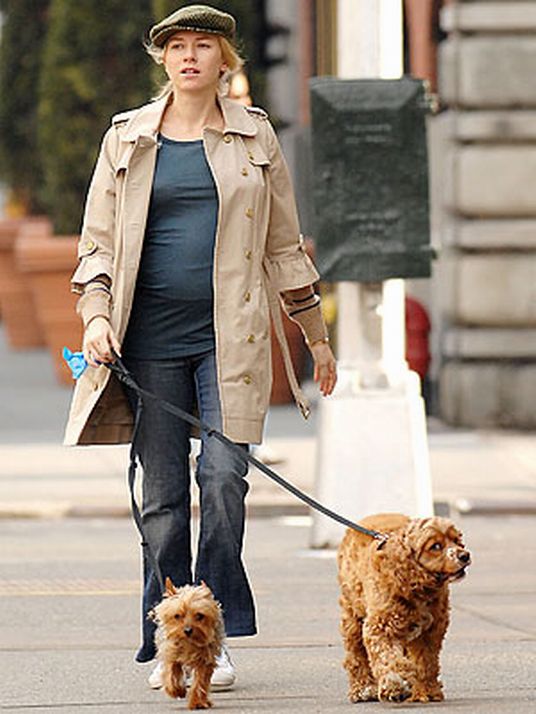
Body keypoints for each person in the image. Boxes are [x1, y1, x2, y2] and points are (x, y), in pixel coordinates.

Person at [64, 3, 337, 692]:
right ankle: (171, 640)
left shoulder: (254, 137)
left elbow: (282, 244)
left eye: (204, 46)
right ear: (163, 59)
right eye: (178, 46)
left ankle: (211, 633)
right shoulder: (126, 138)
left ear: (224, 60)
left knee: (222, 477)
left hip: (230, 341)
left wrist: (317, 338)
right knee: (160, 499)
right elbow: (96, 244)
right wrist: (96, 317)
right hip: (147, 342)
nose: (190, 56)